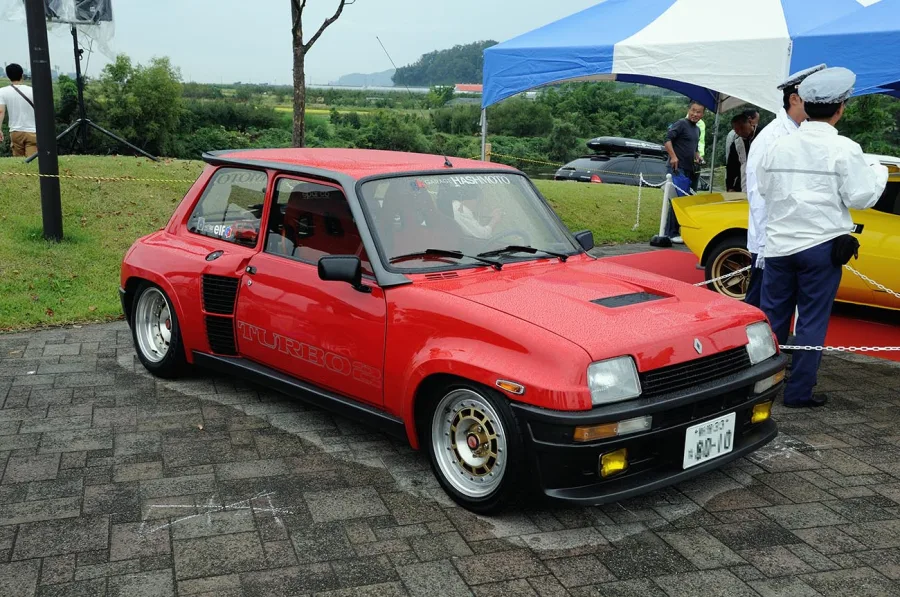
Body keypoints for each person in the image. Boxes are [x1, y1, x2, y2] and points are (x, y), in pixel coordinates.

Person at [758, 67, 888, 408]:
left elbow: (764, 189)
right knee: (812, 319)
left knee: (772, 320)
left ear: (806, 104)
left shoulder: (779, 146)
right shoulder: (845, 148)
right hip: (821, 247)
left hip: (779, 245)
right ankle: (799, 392)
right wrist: (878, 173)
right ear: (840, 107)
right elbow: (861, 197)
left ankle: (760, 388)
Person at [742, 64, 826, 308]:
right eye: (814, 96)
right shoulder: (771, 137)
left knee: (780, 305)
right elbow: (757, 194)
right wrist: (765, 245)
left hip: (794, 238)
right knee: (759, 305)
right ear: (795, 98)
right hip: (771, 240)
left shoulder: (806, 131)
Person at [664, 101, 705, 241]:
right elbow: (667, 139)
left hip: (690, 169)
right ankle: (671, 232)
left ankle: (676, 231)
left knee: (685, 200)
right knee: (677, 200)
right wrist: (673, 157)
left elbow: (694, 148)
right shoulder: (681, 123)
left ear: (702, 114)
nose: (695, 114)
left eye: (698, 112)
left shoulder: (697, 129)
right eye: (693, 110)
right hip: (677, 168)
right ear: (689, 110)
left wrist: (697, 156)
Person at [0, 64, 37, 158]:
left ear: (8, 76)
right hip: (32, 131)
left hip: (15, 131)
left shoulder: (3, 91)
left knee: (19, 160)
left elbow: (1, 111)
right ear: (22, 75)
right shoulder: (32, 90)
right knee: (32, 160)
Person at [725, 113, 753, 192]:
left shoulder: (762, 136)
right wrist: (730, 187)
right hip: (742, 183)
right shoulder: (736, 144)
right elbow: (731, 167)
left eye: (742, 127)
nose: (740, 131)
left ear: (750, 122)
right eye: (736, 130)